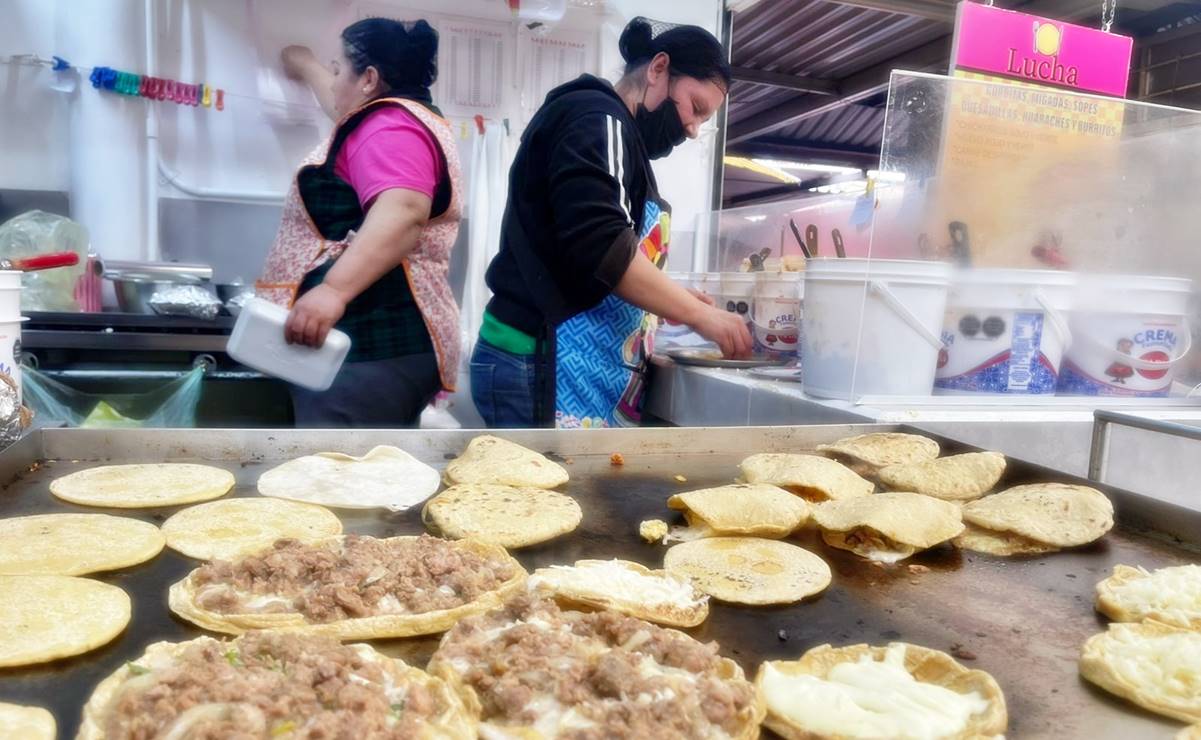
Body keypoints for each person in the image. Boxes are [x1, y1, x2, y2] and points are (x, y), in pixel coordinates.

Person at [472, 17, 751, 429]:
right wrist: (697, 314)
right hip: (535, 356)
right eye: (696, 108)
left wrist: (671, 299)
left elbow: (583, 253)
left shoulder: (612, 131)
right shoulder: (596, 119)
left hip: (542, 358)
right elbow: (603, 249)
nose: (692, 129)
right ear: (659, 69)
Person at [255, 18, 461, 427]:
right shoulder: (394, 119)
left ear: (368, 79)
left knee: (341, 480)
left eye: (338, 70)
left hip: (371, 347)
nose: (332, 83)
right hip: (370, 348)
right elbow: (338, 103)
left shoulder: (390, 126)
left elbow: (403, 211)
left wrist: (332, 290)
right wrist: (303, 62)